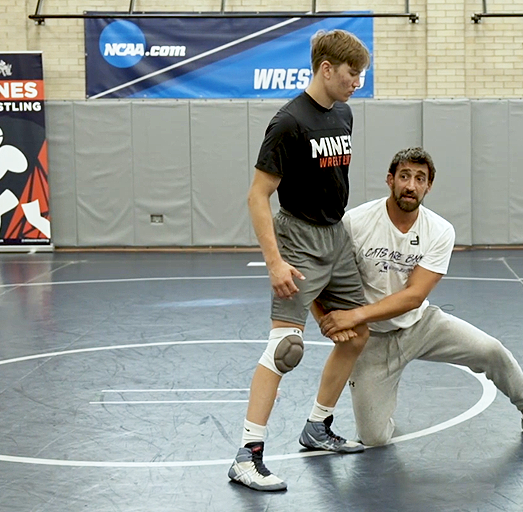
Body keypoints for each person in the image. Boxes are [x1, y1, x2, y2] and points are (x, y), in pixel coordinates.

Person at [313, 147, 523, 448]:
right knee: (374, 438)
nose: (411, 185)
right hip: (372, 340)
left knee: (490, 350)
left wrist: (355, 315)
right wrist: (326, 319)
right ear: (390, 180)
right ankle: (381, 398)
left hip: (420, 326)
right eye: (404, 176)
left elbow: (414, 296)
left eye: (420, 178)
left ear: (429, 186)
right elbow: (322, 277)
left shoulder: (439, 231)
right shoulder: (356, 222)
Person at [227, 29, 371, 493]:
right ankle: (247, 456)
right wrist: (274, 263)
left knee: (354, 333)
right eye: (352, 74)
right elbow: (257, 195)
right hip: (298, 242)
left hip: (337, 237)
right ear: (326, 69)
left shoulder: (344, 114)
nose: (357, 83)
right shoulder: (288, 122)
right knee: (285, 349)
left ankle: (317, 426)